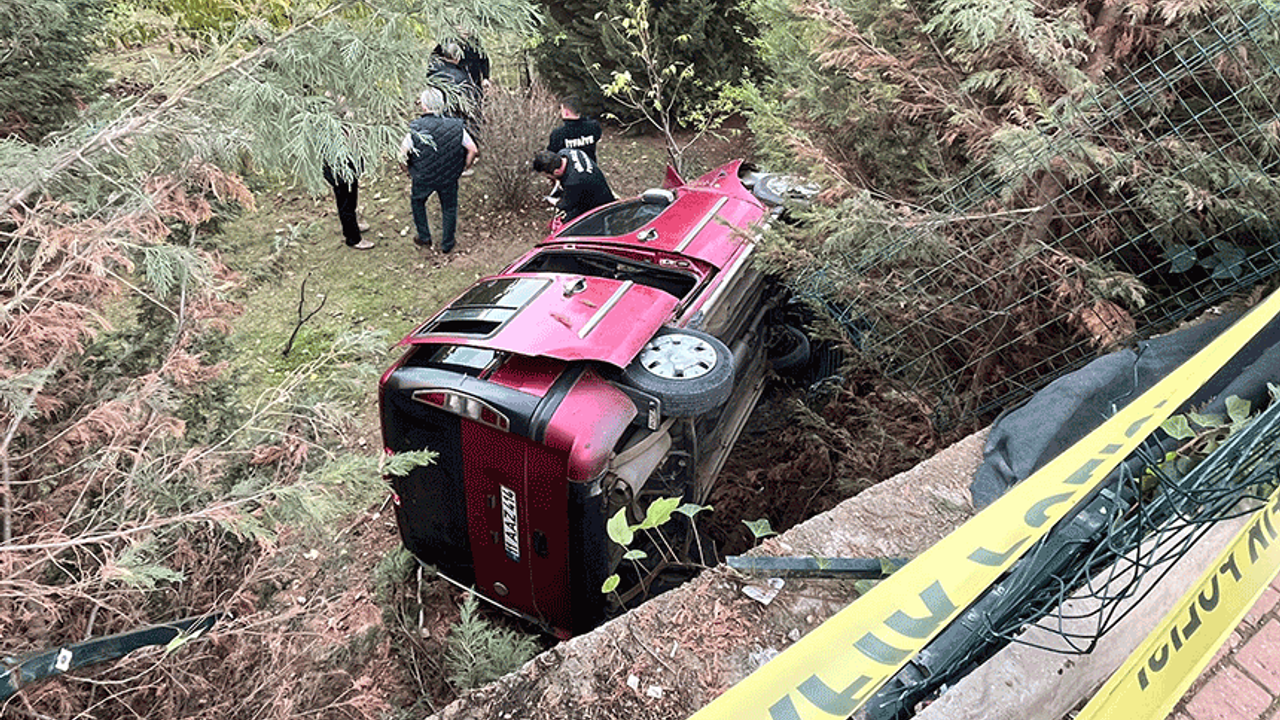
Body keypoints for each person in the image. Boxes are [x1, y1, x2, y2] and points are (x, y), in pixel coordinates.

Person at [402, 88, 478, 253]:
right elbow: (473, 149)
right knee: (449, 207)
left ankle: (424, 236)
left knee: (417, 202)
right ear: (442, 105)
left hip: (423, 176)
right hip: (449, 177)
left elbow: (401, 154)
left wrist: (408, 170)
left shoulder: (415, 128)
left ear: (423, 106)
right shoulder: (456, 125)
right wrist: (465, 167)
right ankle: (447, 243)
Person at [532, 148, 615, 222]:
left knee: (567, 222)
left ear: (556, 172)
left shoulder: (573, 182)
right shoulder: (567, 152)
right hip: (596, 184)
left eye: (548, 176)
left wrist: (552, 201)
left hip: (599, 205)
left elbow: (565, 205)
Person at [323, 160, 373, 250]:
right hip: (339, 169)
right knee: (345, 201)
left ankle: (353, 227)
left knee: (351, 197)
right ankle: (353, 238)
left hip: (346, 166)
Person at [429, 41, 480, 124]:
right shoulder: (462, 78)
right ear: (458, 57)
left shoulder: (432, 71)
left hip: (433, 118)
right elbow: (470, 102)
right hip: (454, 120)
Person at [547, 95, 602, 162]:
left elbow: (552, 155)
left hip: (569, 171)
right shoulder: (594, 127)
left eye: (561, 109)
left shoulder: (558, 134)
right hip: (591, 169)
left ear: (566, 112)